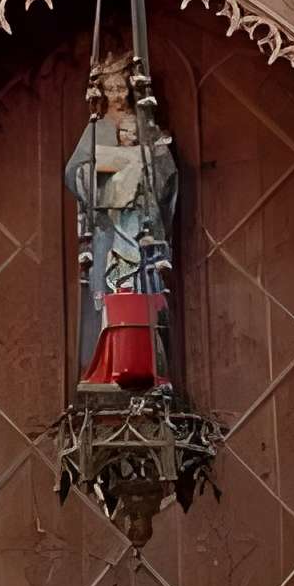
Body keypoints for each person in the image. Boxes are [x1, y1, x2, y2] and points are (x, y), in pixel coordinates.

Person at [64, 48, 177, 385]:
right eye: (110, 89)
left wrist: (148, 167)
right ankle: (111, 362)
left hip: (140, 226)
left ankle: (148, 362)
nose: (116, 95)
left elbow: (166, 175)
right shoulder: (97, 128)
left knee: (143, 290)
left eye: (120, 87)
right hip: (108, 229)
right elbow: (74, 173)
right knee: (110, 291)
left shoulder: (145, 124)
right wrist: (96, 175)